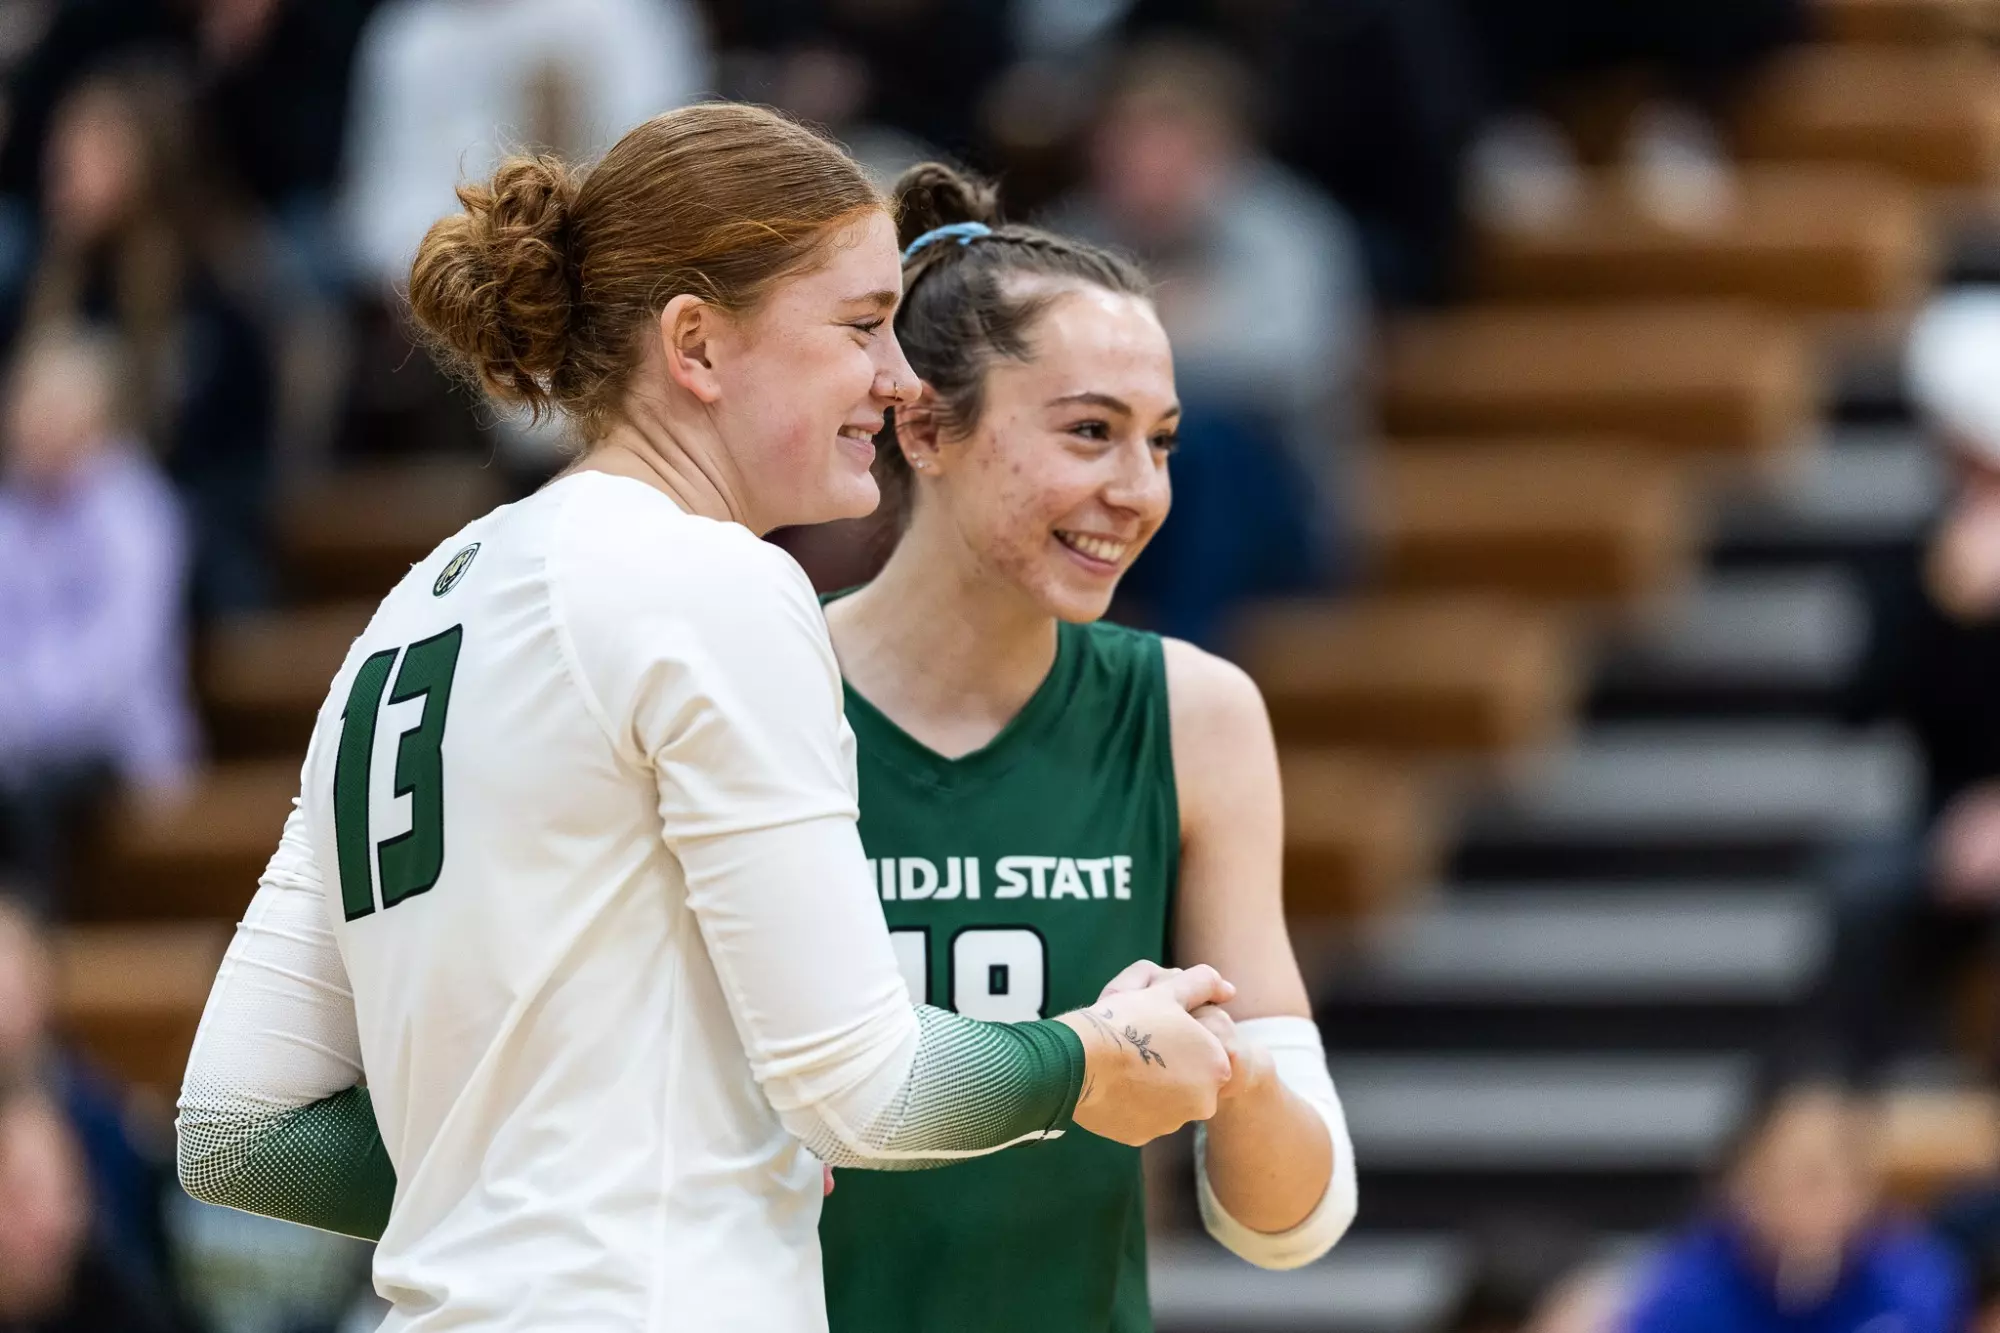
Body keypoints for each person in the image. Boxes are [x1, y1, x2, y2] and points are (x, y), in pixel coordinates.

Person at [175, 103, 1237, 1332]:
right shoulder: (709, 582)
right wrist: (1094, 1054)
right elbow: (868, 1089)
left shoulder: (413, 608)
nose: (898, 378)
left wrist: (539, 1182)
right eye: (860, 326)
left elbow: (238, 1134)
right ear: (696, 345)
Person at [814, 164, 1357, 1333]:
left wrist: (1230, 1068)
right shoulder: (755, 685)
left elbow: (1289, 1223)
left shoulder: (1194, 712)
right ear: (923, 425)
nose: (1138, 490)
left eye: (1159, 442)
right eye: (1089, 433)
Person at [1046, 39, 1368, 647]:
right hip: (1113, 494)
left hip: (1276, 507)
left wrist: (1139, 347)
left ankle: (1179, 664)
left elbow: (1291, 372)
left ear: (1219, 150)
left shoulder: (1287, 233)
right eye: (1125, 142)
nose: (1142, 162)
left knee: (1203, 443)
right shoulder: (1068, 241)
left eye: (1164, 141)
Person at [0, 329, 196, 904]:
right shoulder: (9, 516)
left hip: (118, 745)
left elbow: (120, 663)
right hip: (20, 747)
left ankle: (36, 946)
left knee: (33, 800)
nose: (34, 422)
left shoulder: (136, 511)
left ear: (96, 417)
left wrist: (28, 726)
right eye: (27, 404)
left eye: (52, 406)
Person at [1622, 1079, 1964, 1333]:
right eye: (1790, 1176)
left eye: (1829, 1176)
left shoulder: (1912, 1279)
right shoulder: (1686, 1290)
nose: (1816, 1201)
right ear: (1743, 1180)